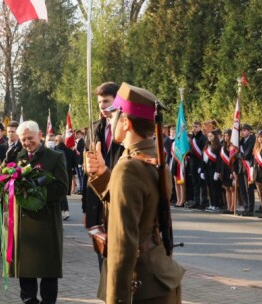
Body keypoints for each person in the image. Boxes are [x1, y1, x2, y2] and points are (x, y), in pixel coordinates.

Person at [85, 82, 184, 303]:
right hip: (158, 278)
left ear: (126, 123)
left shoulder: (129, 166)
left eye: (114, 116)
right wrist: (103, 176)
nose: (109, 120)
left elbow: (123, 243)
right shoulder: (152, 157)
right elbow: (137, 207)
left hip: (141, 288)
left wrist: (117, 299)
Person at [12, 120, 68, 304]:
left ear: (40, 135)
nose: (27, 143)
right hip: (23, 224)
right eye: (23, 139)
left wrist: (36, 194)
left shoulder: (55, 157)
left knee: (48, 271)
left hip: (46, 222)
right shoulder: (17, 156)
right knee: (26, 272)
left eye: (30, 138)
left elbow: (61, 188)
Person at [81, 82, 124, 272]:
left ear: (117, 101)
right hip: (96, 206)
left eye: (106, 101)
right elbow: (87, 174)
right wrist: (85, 208)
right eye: (99, 102)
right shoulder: (93, 130)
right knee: (103, 262)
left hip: (118, 200)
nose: (102, 106)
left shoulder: (126, 129)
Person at [186, 121, 208, 210]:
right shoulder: (192, 138)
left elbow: (204, 152)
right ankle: (196, 201)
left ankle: (203, 202)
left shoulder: (203, 138)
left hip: (200, 163)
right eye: (193, 126)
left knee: (202, 184)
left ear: (200, 127)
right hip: (192, 163)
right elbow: (191, 149)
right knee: (195, 183)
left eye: (196, 126)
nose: (194, 128)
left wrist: (202, 166)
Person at [55, 134, 77, 220]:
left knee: (60, 193)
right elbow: (74, 163)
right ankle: (65, 211)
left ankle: (63, 211)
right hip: (68, 172)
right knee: (63, 192)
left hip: (59, 173)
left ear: (56, 141)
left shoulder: (56, 150)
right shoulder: (70, 151)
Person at [236, 124, 256, 216]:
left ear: (249, 131)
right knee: (242, 190)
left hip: (248, 167)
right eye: (241, 130)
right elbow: (236, 153)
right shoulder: (240, 141)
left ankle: (250, 209)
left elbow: (246, 155)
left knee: (249, 189)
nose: (242, 132)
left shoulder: (252, 140)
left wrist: (239, 155)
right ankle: (245, 207)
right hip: (241, 168)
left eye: (244, 130)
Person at [202, 130, 222, 212]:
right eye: (208, 136)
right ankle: (212, 204)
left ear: (215, 137)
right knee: (209, 187)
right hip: (207, 168)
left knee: (215, 188)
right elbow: (203, 158)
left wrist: (217, 171)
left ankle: (216, 205)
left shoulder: (218, 146)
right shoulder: (207, 145)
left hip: (214, 169)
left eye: (211, 136)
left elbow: (218, 160)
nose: (209, 138)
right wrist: (202, 170)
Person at [218, 129, 235, 214]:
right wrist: (219, 171)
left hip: (230, 169)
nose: (226, 137)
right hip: (224, 169)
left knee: (232, 188)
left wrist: (233, 171)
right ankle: (228, 207)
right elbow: (220, 159)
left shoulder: (233, 146)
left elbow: (234, 160)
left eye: (227, 135)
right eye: (225, 136)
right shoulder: (223, 146)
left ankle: (232, 208)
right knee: (226, 188)